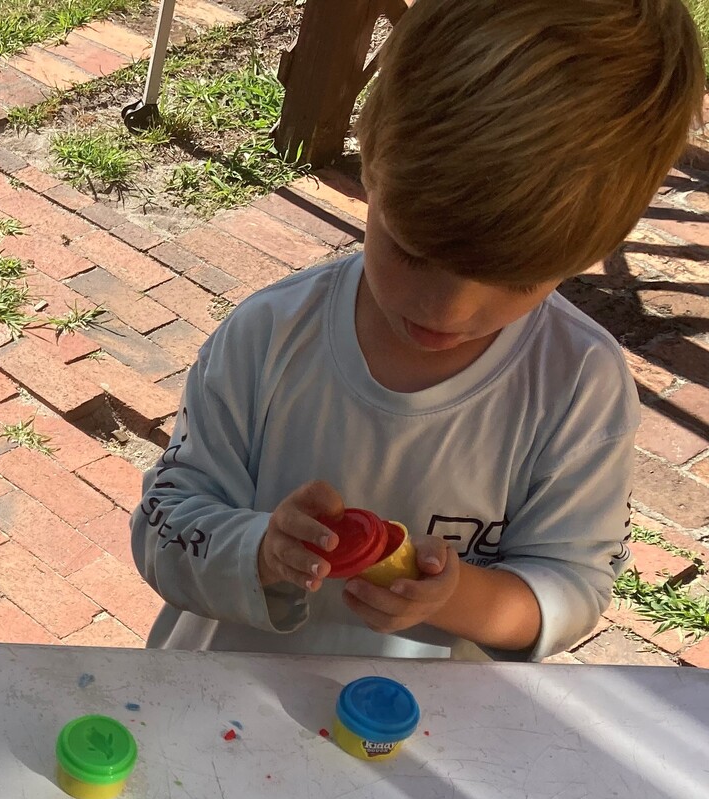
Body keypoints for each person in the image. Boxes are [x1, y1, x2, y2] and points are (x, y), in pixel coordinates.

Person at [131, 0, 701, 660]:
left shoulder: (579, 387)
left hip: (422, 734)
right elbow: (165, 526)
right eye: (412, 252)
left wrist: (455, 596)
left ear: (586, 255)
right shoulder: (268, 337)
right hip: (221, 696)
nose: (448, 310)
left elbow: (573, 587)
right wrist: (259, 549)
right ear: (370, 163)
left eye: (514, 279)